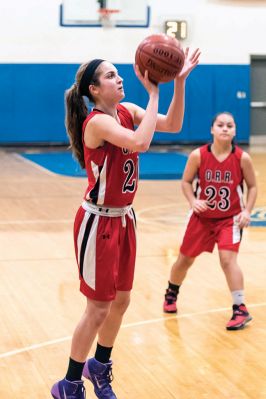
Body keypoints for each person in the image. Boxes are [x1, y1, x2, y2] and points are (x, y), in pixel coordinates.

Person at [51, 49, 200, 399]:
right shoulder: (97, 122)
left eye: (119, 73)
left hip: (125, 220)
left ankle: (99, 368)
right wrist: (153, 94)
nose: (120, 79)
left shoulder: (126, 111)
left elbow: (173, 125)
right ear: (94, 89)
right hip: (97, 223)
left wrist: (177, 83)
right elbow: (141, 142)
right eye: (111, 75)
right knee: (98, 307)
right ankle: (69, 383)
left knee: (121, 301)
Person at [163, 112, 257, 331]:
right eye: (220, 125)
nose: (225, 128)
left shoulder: (242, 158)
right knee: (185, 260)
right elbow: (186, 182)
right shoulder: (198, 155)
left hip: (229, 219)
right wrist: (192, 201)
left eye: (230, 125)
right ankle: (171, 292)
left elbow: (252, 187)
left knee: (227, 260)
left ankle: (240, 308)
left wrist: (247, 211)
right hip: (201, 218)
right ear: (212, 129)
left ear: (234, 131)